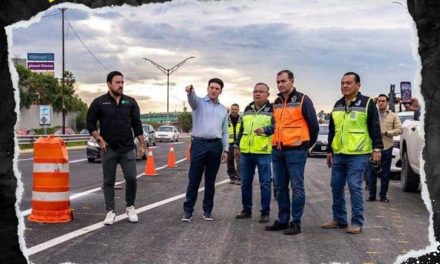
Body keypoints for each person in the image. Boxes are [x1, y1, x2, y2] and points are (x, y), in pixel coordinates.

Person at [321, 72, 383, 234]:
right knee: (336, 186)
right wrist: (329, 150)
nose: (344, 86)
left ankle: (356, 222)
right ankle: (339, 219)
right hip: (339, 153)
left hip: (359, 153)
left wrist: (377, 148)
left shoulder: (367, 102)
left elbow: (374, 126)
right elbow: (333, 129)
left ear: (358, 85)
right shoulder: (338, 104)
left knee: (355, 186)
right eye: (342, 83)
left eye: (348, 83)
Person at [86, 71, 145, 225]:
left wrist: (142, 144)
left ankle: (130, 207)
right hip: (109, 149)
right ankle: (110, 211)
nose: (120, 85)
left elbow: (137, 125)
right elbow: (90, 124)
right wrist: (99, 139)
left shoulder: (130, 102)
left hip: (127, 148)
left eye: (122, 83)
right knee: (108, 181)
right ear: (109, 84)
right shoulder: (99, 102)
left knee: (132, 178)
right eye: (117, 82)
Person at [265, 70, 319, 235]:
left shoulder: (303, 99)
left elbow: (314, 125)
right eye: (278, 82)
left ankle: (296, 223)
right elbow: (276, 125)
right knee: (280, 187)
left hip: (296, 151)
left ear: (292, 81)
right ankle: (282, 220)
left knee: (297, 187)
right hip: (278, 150)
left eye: (283, 81)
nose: (280, 84)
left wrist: (305, 145)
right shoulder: (276, 102)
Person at [182, 78, 229, 222]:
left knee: (210, 180)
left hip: (216, 146)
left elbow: (225, 131)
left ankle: (207, 211)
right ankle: (188, 211)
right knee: (194, 179)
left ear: (220, 91)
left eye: (217, 88)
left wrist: (225, 150)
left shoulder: (223, 109)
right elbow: (192, 100)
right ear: (207, 88)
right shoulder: (199, 103)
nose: (214, 90)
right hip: (199, 145)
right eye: (212, 88)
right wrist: (190, 91)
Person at [234, 82, 274, 223]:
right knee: (245, 182)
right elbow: (241, 129)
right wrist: (237, 146)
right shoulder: (247, 109)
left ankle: (265, 212)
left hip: (263, 152)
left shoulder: (272, 109)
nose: (257, 94)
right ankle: (246, 210)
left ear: (267, 94)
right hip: (246, 152)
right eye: (255, 91)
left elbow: (277, 127)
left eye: (261, 91)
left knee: (265, 183)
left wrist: (266, 130)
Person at [367, 94, 402, 203]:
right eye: (379, 101)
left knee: (385, 173)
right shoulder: (372, 115)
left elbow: (399, 129)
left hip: (387, 147)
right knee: (371, 172)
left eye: (383, 101)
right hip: (372, 147)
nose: (381, 103)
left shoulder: (393, 116)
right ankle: (372, 195)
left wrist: (387, 133)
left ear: (387, 102)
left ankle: (383, 196)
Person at [227, 103, 242, 185]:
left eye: (235, 109)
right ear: (230, 109)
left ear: (238, 110)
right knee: (230, 161)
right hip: (229, 143)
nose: (234, 111)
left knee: (239, 161)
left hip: (239, 144)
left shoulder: (242, 119)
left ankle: (239, 177)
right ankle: (232, 176)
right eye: (232, 109)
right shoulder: (226, 119)